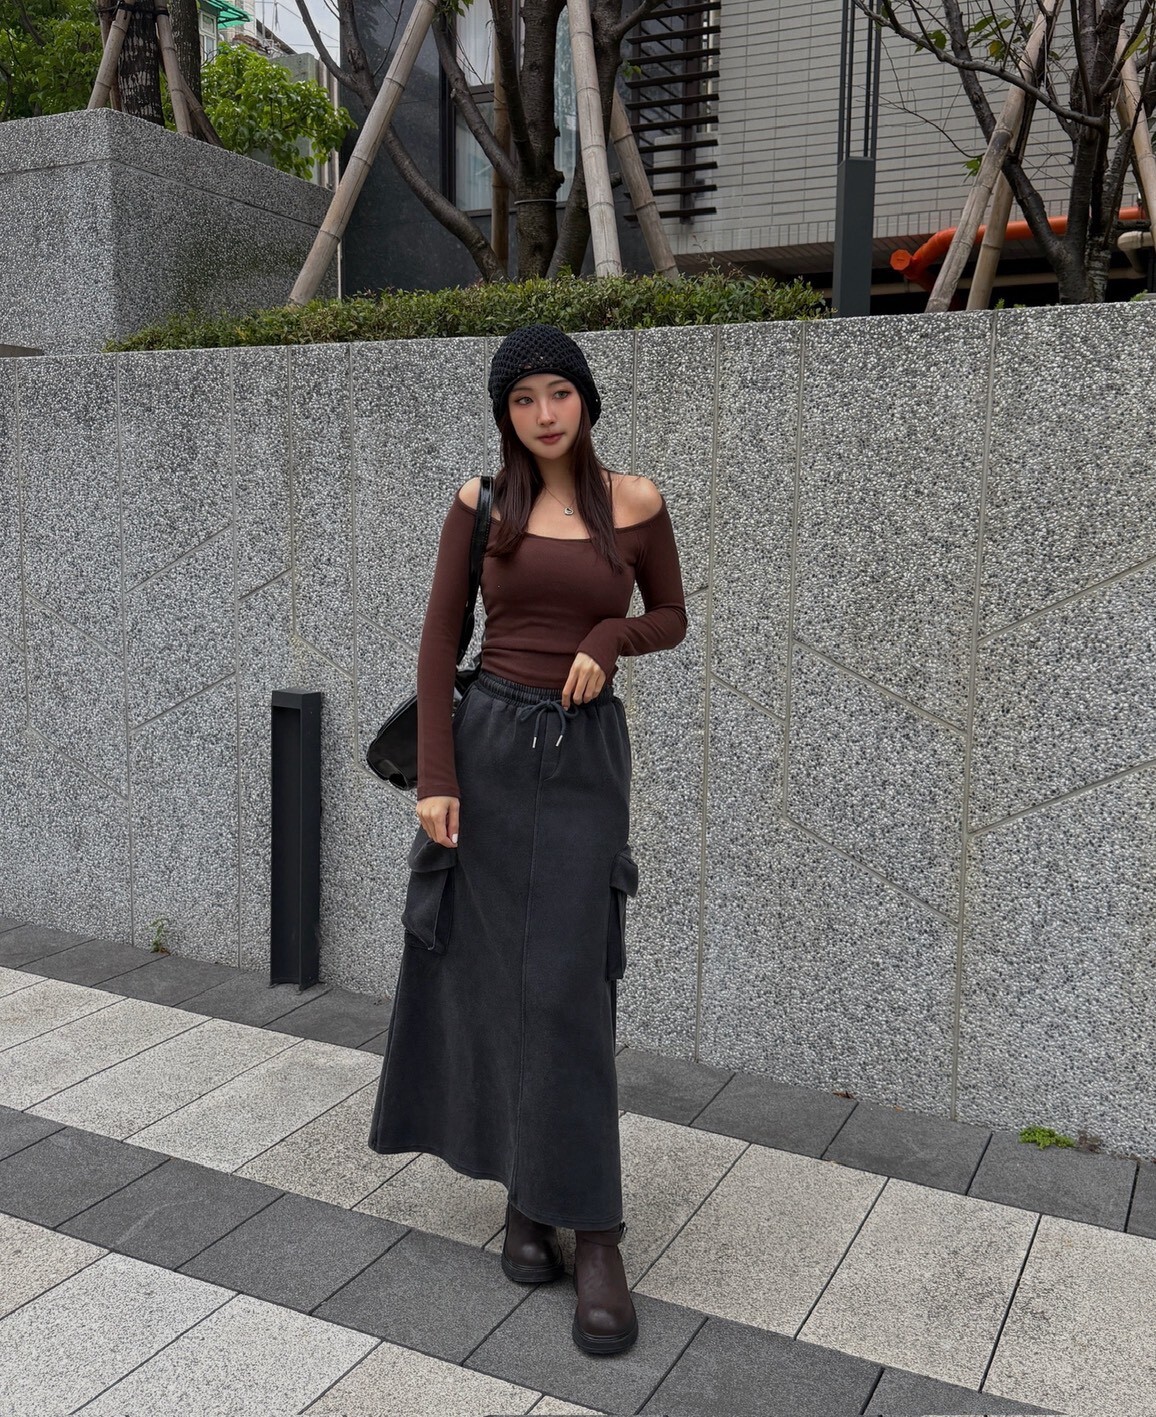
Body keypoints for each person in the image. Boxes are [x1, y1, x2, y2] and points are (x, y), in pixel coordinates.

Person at [367, 323, 688, 1356]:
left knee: (568, 989)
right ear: (505, 414)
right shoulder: (481, 505)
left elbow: (672, 614)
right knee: (496, 979)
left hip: (585, 762)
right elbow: (438, 640)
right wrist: (437, 776)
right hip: (491, 753)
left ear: (585, 399)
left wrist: (610, 634)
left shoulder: (635, 502)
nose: (544, 413)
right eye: (522, 398)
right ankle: (524, 1199)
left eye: (558, 392)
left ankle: (595, 1234)